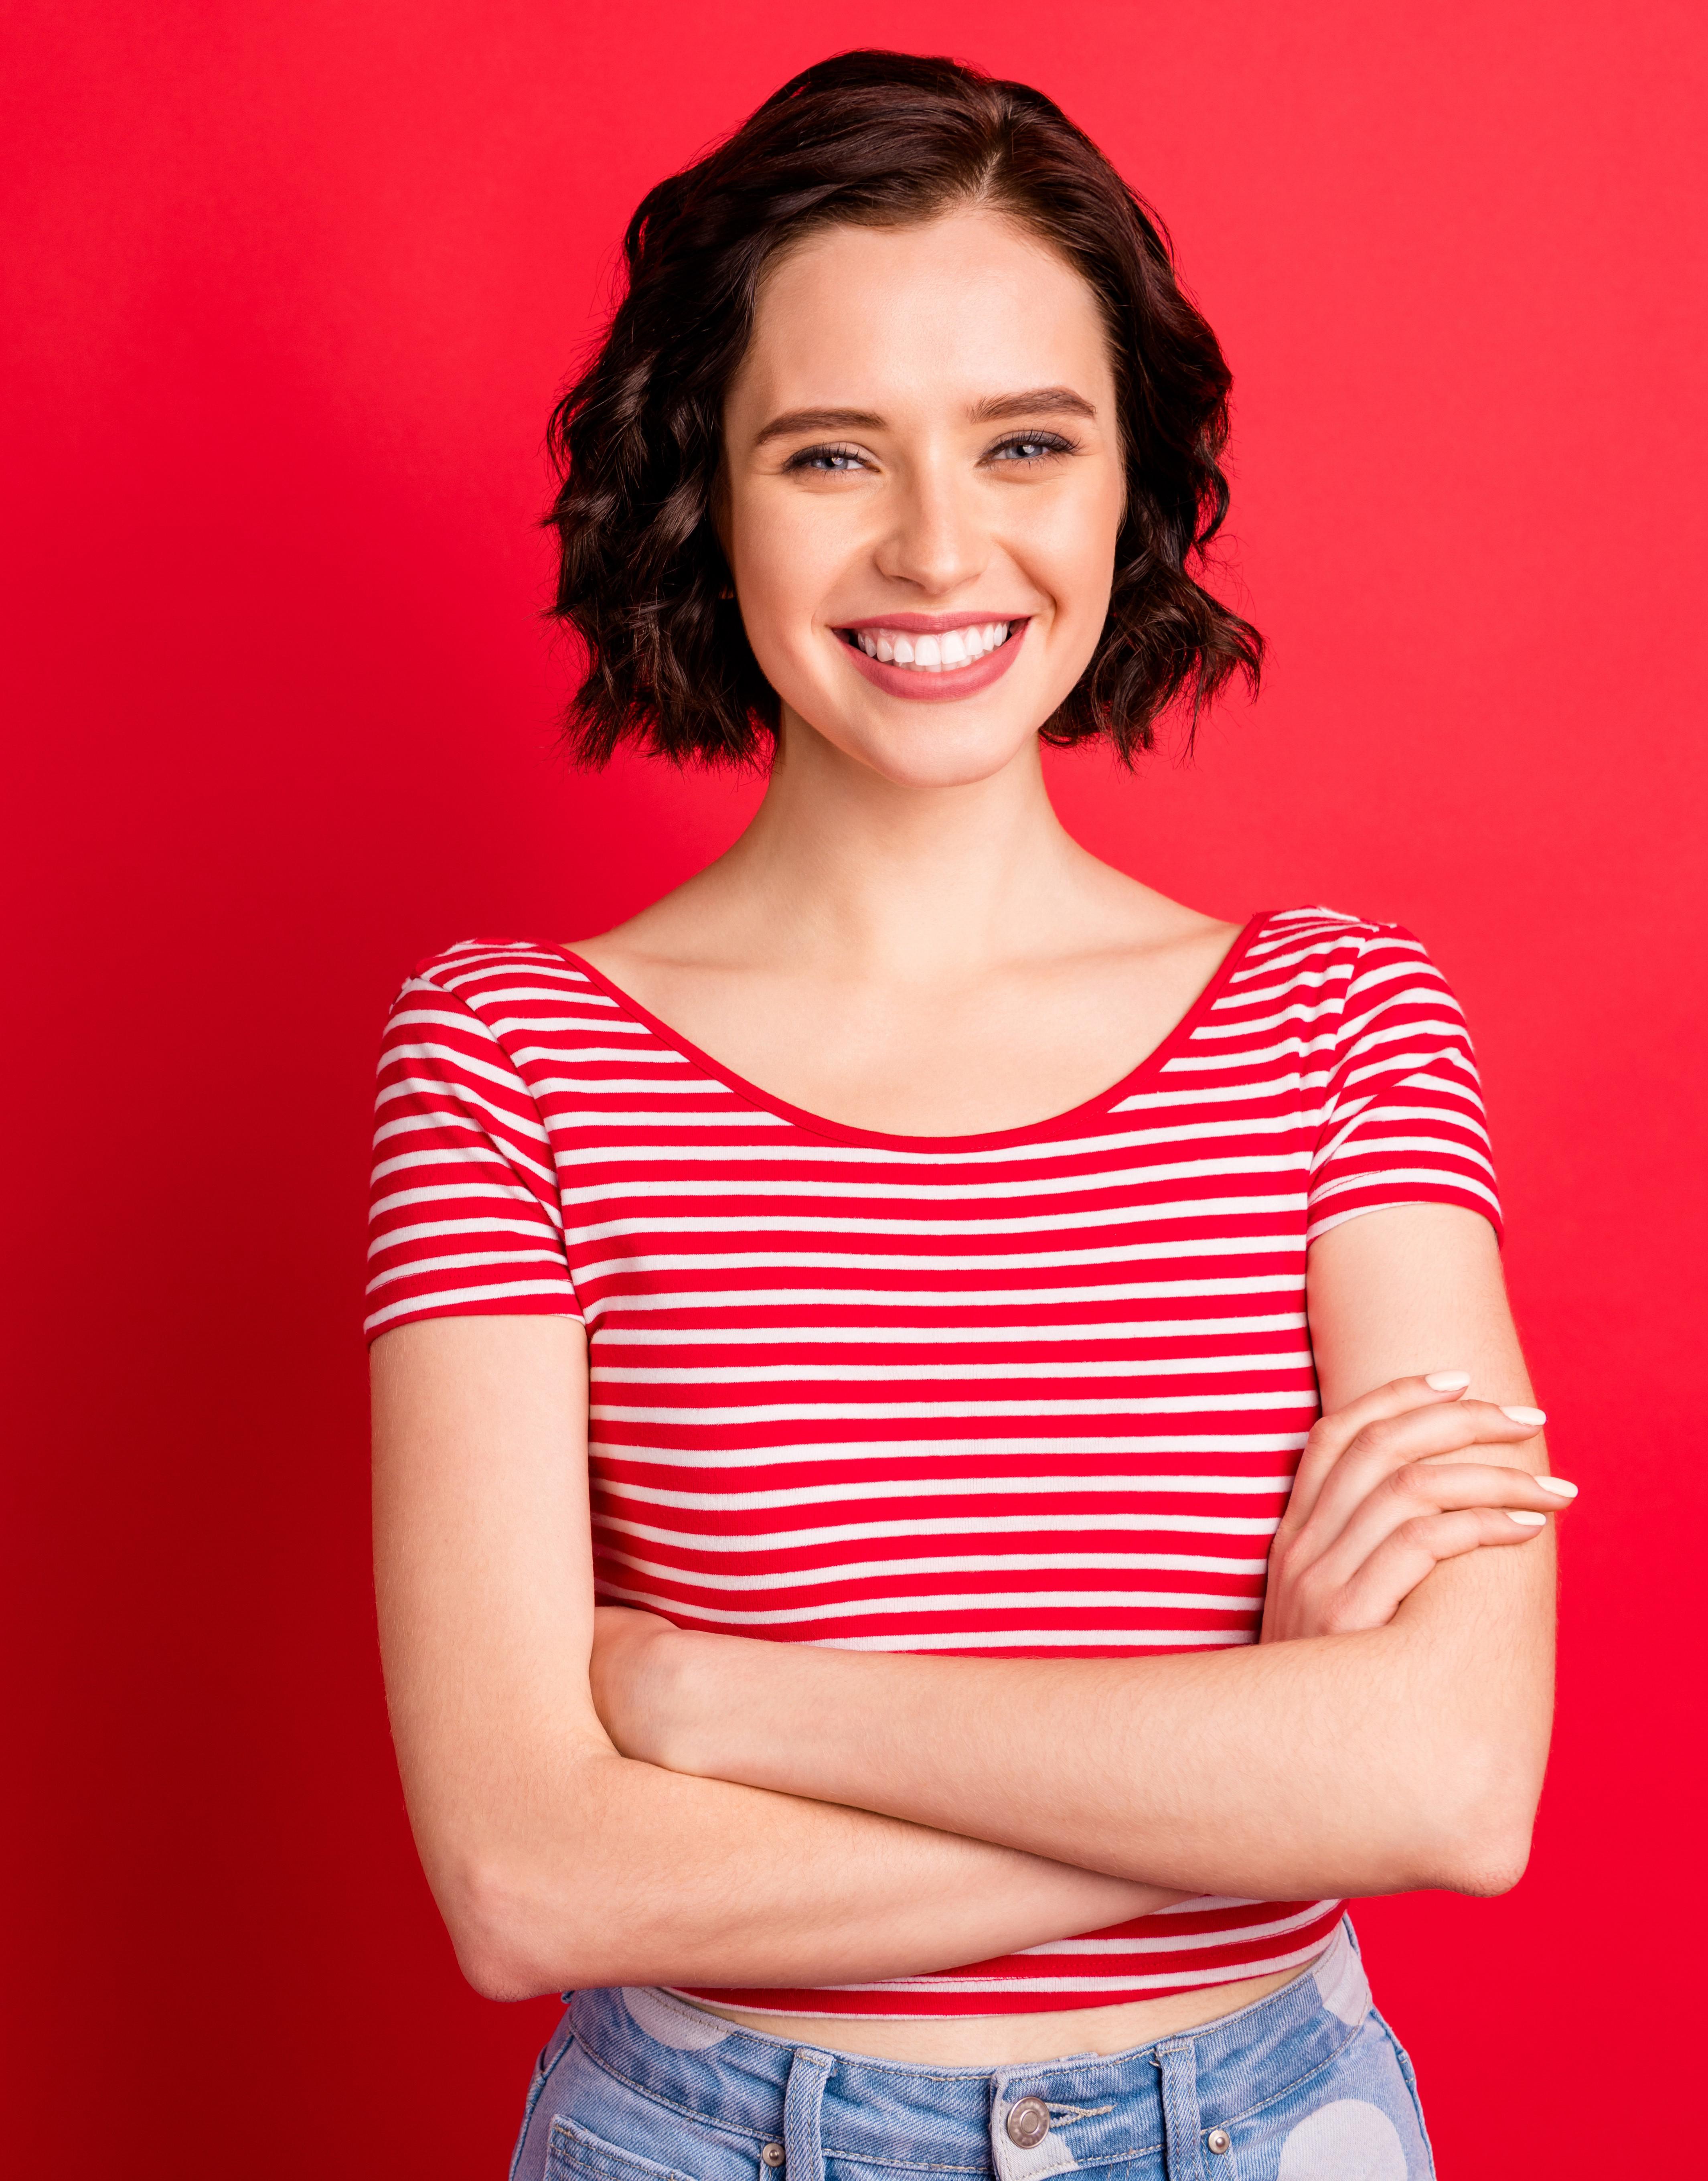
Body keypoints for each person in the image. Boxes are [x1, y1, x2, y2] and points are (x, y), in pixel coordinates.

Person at [367, 51, 1570, 2181]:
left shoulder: (1341, 1024)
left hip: (1268, 2127)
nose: (940, 545)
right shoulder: (508, 1059)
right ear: (700, 487)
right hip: (701, 2135)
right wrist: (1256, 1776)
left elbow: (1453, 1782)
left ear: (1131, 482)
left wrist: (722, 1706)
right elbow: (531, 1883)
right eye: (831, 452)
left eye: (1026, 440)